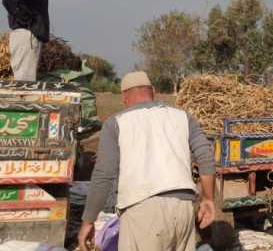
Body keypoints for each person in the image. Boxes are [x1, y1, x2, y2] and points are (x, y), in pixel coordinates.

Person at [77, 71, 216, 251]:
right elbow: (205, 155)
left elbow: (104, 175)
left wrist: (88, 220)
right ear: (154, 92)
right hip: (183, 209)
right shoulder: (183, 117)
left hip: (142, 212)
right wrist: (208, 199)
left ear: (124, 98)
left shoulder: (116, 123)